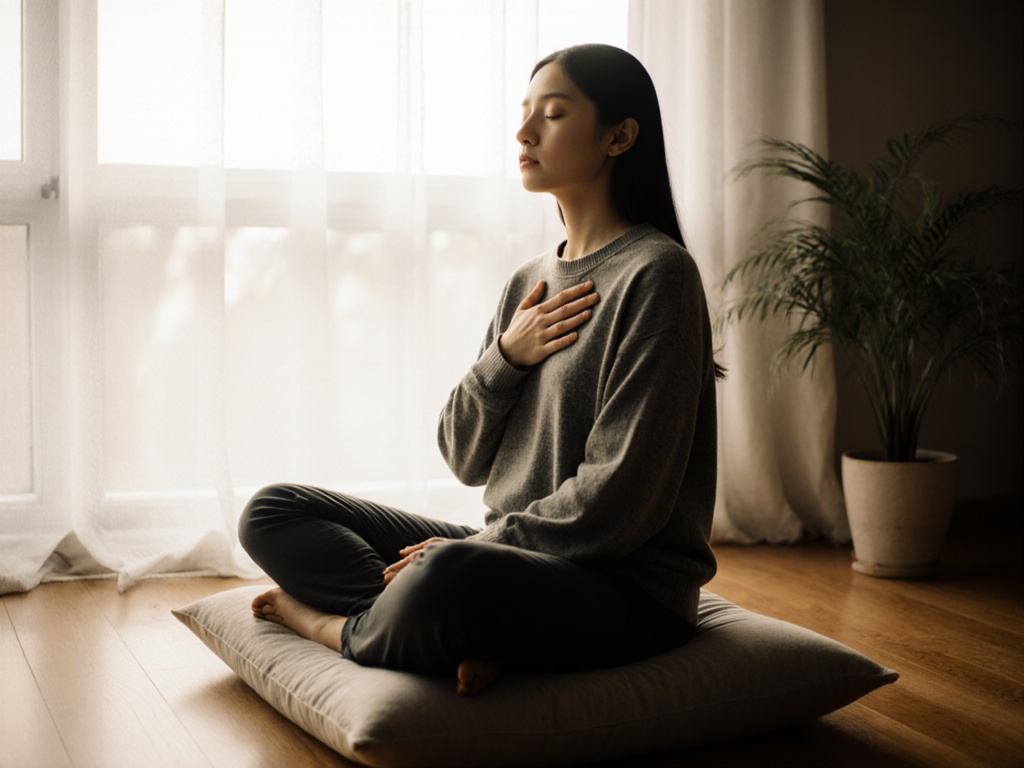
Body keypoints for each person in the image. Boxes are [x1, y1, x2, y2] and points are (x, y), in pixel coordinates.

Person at [238, 43, 720, 697]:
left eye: (552, 114)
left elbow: (624, 499)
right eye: (524, 113)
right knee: (273, 513)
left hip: (625, 588)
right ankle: (455, 634)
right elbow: (464, 456)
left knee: (450, 574)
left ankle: (333, 627)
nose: (523, 132)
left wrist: (486, 550)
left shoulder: (657, 274)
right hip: (514, 556)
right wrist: (507, 357)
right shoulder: (530, 281)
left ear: (619, 136)